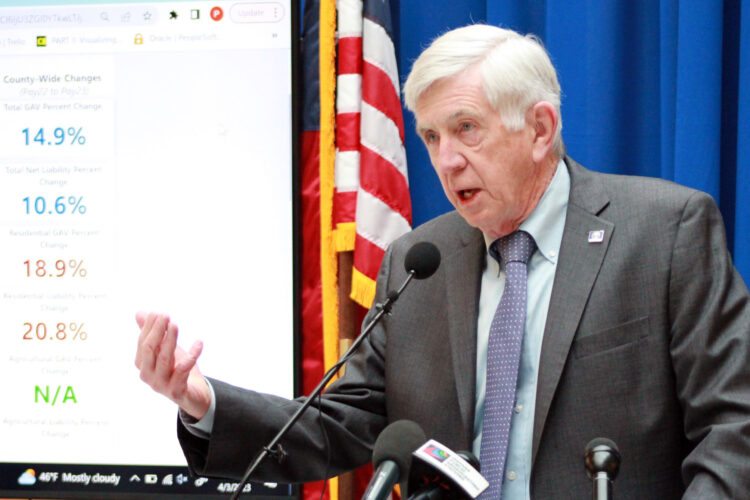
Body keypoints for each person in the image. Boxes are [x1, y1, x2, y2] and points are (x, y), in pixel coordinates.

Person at [135, 24, 750, 498]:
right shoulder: (416, 261)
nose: (446, 159)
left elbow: (733, 426)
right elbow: (349, 421)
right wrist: (203, 402)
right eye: (431, 136)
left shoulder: (664, 232)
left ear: (540, 128)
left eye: (466, 129)